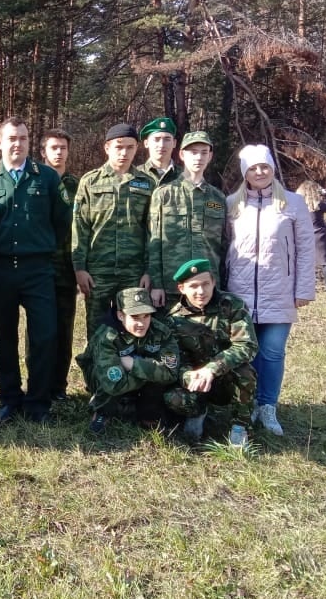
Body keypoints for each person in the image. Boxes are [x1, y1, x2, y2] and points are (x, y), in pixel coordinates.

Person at [0, 116, 70, 424]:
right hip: (1, 270)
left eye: (24, 138)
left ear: (30, 142)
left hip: (38, 269)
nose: (18, 144)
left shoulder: (47, 179)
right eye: (12, 138)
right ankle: (10, 399)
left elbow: (62, 221)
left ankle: (38, 403)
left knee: (44, 335)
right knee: (5, 337)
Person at [225, 144, 315, 436]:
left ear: (272, 169)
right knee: (246, 354)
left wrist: (303, 289)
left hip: (279, 291)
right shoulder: (232, 205)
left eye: (264, 166)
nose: (259, 172)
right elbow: (222, 248)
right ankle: (247, 404)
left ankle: (268, 406)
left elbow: (305, 250)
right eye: (253, 168)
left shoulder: (293, 203)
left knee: (273, 352)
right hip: (240, 294)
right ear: (245, 173)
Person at [72, 123, 153, 345]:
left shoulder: (146, 183)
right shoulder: (90, 181)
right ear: (107, 148)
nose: (124, 153)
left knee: (133, 330)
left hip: (133, 271)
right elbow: (80, 226)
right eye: (119, 147)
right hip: (98, 271)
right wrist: (79, 268)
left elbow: (151, 231)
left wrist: (148, 270)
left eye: (130, 147)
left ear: (137, 149)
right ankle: (96, 379)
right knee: (97, 333)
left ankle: (129, 378)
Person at [167, 259, 259, 440]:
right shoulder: (174, 319)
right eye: (193, 286)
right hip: (197, 381)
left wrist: (212, 369)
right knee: (172, 397)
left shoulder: (232, 305)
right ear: (181, 289)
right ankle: (198, 413)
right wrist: (189, 377)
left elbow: (247, 345)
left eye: (205, 284)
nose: (201, 291)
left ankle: (241, 426)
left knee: (246, 373)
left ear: (214, 283)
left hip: (227, 377)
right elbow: (176, 360)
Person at [79, 287, 181, 434]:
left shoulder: (161, 332)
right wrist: (150, 369)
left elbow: (171, 373)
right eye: (135, 317)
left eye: (146, 316)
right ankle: (102, 412)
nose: (142, 323)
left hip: (130, 374)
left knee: (158, 380)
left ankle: (147, 415)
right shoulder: (107, 337)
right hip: (100, 379)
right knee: (111, 378)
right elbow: (113, 385)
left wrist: (131, 363)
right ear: (121, 316)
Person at [147, 131, 227, 310]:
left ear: (210, 156)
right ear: (182, 155)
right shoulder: (164, 194)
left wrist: (222, 285)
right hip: (172, 286)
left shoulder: (218, 198)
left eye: (204, 152)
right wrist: (157, 284)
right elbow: (153, 243)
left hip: (207, 288)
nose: (199, 157)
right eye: (193, 152)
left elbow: (223, 245)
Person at [40, 128, 80, 400]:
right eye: (53, 147)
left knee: (64, 331)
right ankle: (38, 385)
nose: (59, 152)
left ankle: (59, 387)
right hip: (40, 269)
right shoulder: (35, 182)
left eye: (63, 147)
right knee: (40, 332)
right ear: (43, 152)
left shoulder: (78, 185)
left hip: (66, 269)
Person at [296, 180, 326, 293]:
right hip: (320, 236)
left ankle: (302, 287)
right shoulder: (318, 205)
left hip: (303, 236)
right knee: (325, 261)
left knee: (304, 262)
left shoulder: (298, 206)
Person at [140, 117, 179, 186]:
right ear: (146, 143)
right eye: (156, 139)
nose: (161, 145)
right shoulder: (134, 174)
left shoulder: (185, 177)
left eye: (167, 139)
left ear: (174, 143)